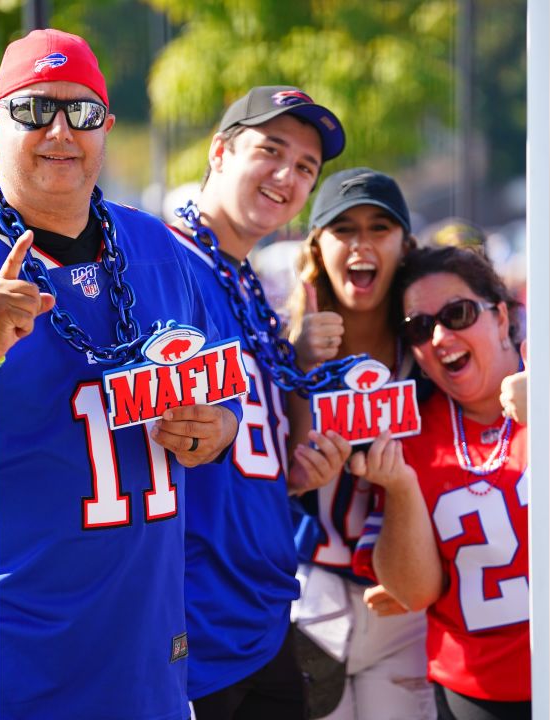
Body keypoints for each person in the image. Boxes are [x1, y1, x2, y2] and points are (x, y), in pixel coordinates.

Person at [0, 29, 241, 720]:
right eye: (35, 110)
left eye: (83, 111)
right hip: (17, 655)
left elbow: (226, 398)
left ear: (108, 125)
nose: (61, 131)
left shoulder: (156, 245)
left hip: (146, 653)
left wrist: (213, 428)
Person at [165, 86, 355, 719]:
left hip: (261, 611)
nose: (288, 176)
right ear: (220, 151)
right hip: (193, 622)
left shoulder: (243, 279)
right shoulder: (163, 262)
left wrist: (299, 370)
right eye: (270, 151)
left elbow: (266, 457)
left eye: (306, 167)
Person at [280, 168, 436, 720]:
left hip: (404, 601)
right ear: (317, 246)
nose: (361, 244)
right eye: (342, 228)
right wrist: (300, 362)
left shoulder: (433, 349)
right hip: (308, 596)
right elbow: (287, 472)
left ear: (405, 245)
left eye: (379, 227)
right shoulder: (285, 344)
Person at [351, 246, 531, 720]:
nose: (440, 335)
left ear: (500, 317)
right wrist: (402, 489)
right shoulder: (410, 431)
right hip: (476, 693)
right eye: (419, 327)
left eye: (458, 313)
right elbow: (413, 592)